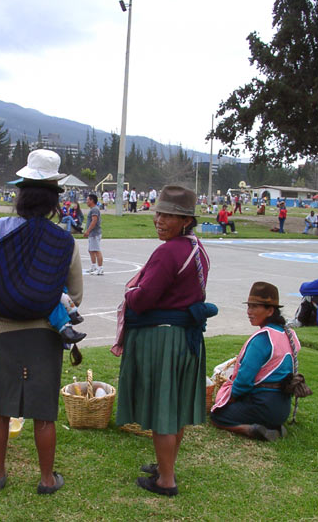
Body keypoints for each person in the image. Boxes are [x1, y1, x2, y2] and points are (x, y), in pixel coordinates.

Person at [0, 149, 83, 494]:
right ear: (53, 199)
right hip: (45, 333)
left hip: (0, 330)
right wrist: (41, 297)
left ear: (20, 193)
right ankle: (47, 479)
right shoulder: (63, 241)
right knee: (43, 412)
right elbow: (75, 295)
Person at [114, 185, 215, 497]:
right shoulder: (197, 249)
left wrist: (130, 291)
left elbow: (143, 300)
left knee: (163, 411)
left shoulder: (168, 252)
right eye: (158, 213)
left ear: (185, 219)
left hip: (164, 338)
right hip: (186, 339)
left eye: (168, 215)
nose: (158, 219)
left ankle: (166, 480)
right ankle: (165, 466)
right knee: (174, 408)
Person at [210, 282, 298, 441]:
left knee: (218, 416)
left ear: (270, 310)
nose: (249, 312)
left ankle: (251, 430)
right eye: (249, 306)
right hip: (283, 406)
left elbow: (244, 382)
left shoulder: (263, 339)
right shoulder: (288, 334)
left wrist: (230, 399)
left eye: (255, 307)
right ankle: (274, 426)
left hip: (263, 404)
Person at [83, 193, 103, 275]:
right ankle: (93, 266)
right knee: (91, 250)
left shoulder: (95, 209)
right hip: (92, 234)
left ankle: (100, 268)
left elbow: (94, 221)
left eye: (88, 200)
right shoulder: (92, 209)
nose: (86, 201)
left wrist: (88, 231)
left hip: (94, 233)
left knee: (96, 250)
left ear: (92, 201)